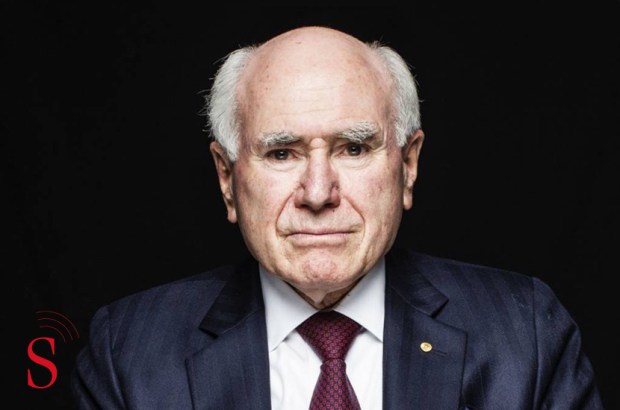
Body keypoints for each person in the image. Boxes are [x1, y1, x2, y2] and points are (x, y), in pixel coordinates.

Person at [70, 26, 604, 409]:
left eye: (353, 148)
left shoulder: (525, 335)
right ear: (227, 179)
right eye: (282, 153)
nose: (318, 193)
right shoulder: (128, 353)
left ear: (408, 167)